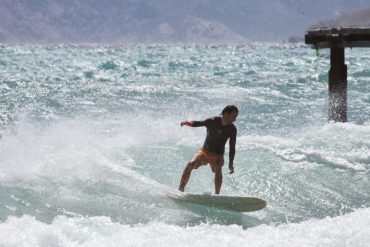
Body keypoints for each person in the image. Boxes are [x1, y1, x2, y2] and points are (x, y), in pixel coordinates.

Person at [178, 105, 238, 194]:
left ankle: (217, 195)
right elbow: (198, 123)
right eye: (234, 116)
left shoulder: (232, 129)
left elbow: (232, 147)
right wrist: (187, 123)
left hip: (218, 156)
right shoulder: (212, 121)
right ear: (226, 114)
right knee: (190, 165)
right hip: (204, 153)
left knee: (218, 170)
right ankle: (180, 189)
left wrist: (231, 163)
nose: (235, 119)